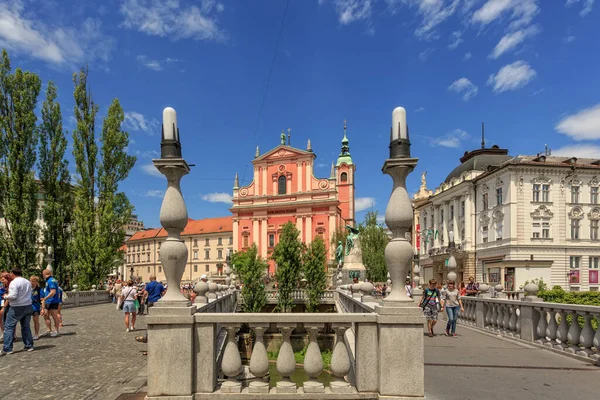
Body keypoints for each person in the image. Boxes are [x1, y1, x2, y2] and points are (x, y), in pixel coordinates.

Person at [1, 268, 34, 355]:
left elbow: (13, 296)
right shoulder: (27, 281)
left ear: (12, 273)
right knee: (26, 326)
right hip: (28, 305)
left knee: (9, 327)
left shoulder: (14, 282)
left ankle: (7, 348)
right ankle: (29, 345)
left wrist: (5, 296)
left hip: (17, 307)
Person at [41, 269, 61, 337]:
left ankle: (56, 330)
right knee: (46, 315)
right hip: (48, 301)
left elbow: (53, 292)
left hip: (52, 301)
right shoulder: (49, 280)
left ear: (44, 274)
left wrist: (45, 298)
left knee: (54, 315)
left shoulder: (51, 281)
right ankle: (49, 330)